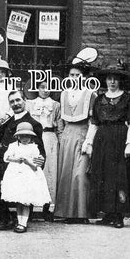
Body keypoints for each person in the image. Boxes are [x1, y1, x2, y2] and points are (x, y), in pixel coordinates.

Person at [0, 90, 45, 231]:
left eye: (18, 100)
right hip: (4, 160)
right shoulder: (7, 123)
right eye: (12, 102)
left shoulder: (33, 124)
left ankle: (1, 214)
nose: (15, 104)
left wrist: (39, 161)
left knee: (2, 171)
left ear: (24, 101)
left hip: (21, 164)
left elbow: (39, 150)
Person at [83, 62, 130, 229]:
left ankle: (118, 215)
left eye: (115, 79)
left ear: (119, 81)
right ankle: (106, 213)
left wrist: (128, 144)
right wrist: (88, 143)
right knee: (101, 175)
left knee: (117, 177)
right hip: (102, 139)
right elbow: (94, 122)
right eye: (110, 79)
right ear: (106, 81)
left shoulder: (127, 98)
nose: (112, 82)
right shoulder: (99, 99)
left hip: (119, 138)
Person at [54, 60, 97, 223]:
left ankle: (81, 213)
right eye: (71, 75)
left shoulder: (90, 94)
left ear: (84, 77)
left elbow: (93, 120)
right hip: (67, 135)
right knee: (66, 174)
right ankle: (67, 213)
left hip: (83, 135)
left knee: (80, 175)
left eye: (78, 75)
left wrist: (89, 141)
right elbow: (60, 119)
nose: (74, 78)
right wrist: (61, 136)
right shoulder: (64, 94)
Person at [1, 122, 52, 233]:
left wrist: (28, 162)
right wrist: (16, 160)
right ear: (18, 136)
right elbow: (6, 157)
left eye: (27, 136)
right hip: (15, 175)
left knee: (26, 201)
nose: (25, 138)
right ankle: (20, 222)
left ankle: (24, 223)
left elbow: (35, 167)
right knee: (19, 201)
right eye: (22, 136)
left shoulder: (34, 148)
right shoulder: (13, 146)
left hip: (29, 176)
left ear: (31, 137)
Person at [25, 79, 63, 221]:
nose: (45, 90)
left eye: (48, 87)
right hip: (34, 138)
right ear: (37, 88)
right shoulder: (30, 104)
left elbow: (59, 126)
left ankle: (48, 207)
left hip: (50, 137)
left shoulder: (56, 105)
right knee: (33, 169)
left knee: (50, 172)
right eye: (42, 87)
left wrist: (60, 142)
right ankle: (29, 207)